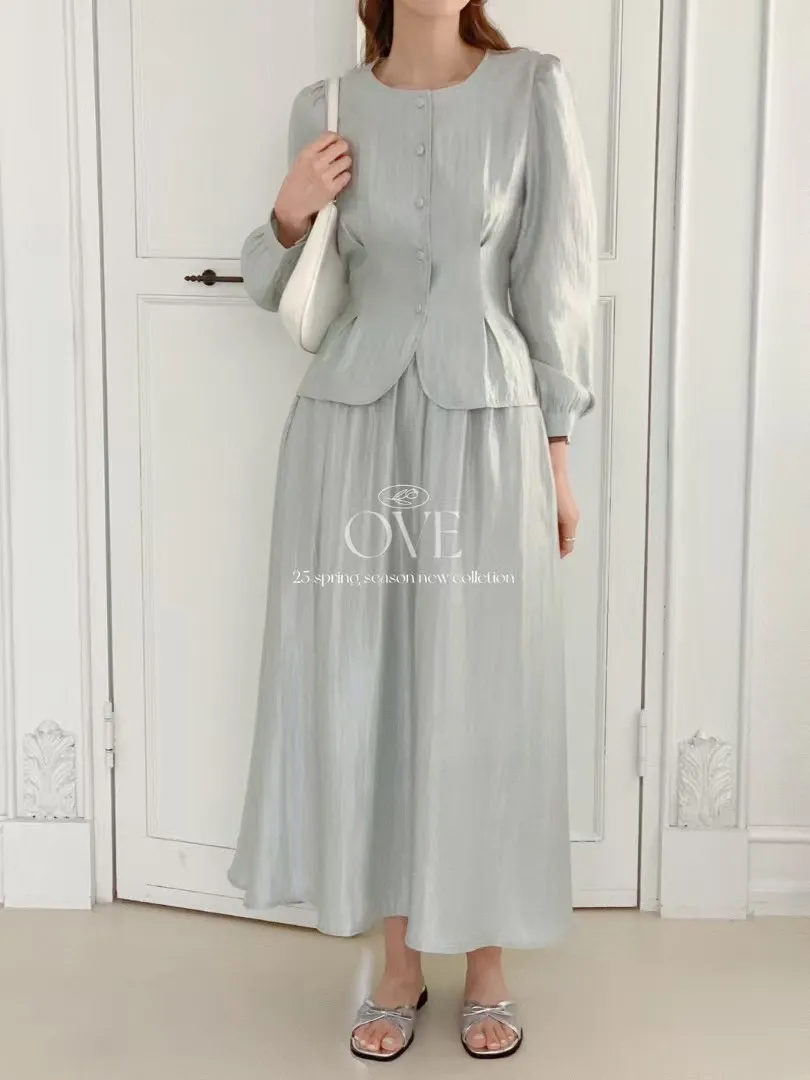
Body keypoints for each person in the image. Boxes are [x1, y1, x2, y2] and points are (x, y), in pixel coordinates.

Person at [228, 0, 598, 1062]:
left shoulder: (533, 89)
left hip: (490, 429)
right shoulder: (326, 104)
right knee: (371, 688)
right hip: (350, 430)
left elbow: (556, 282)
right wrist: (287, 212)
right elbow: (274, 287)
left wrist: (559, 454)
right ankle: (396, 962)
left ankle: (487, 961)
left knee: (486, 690)